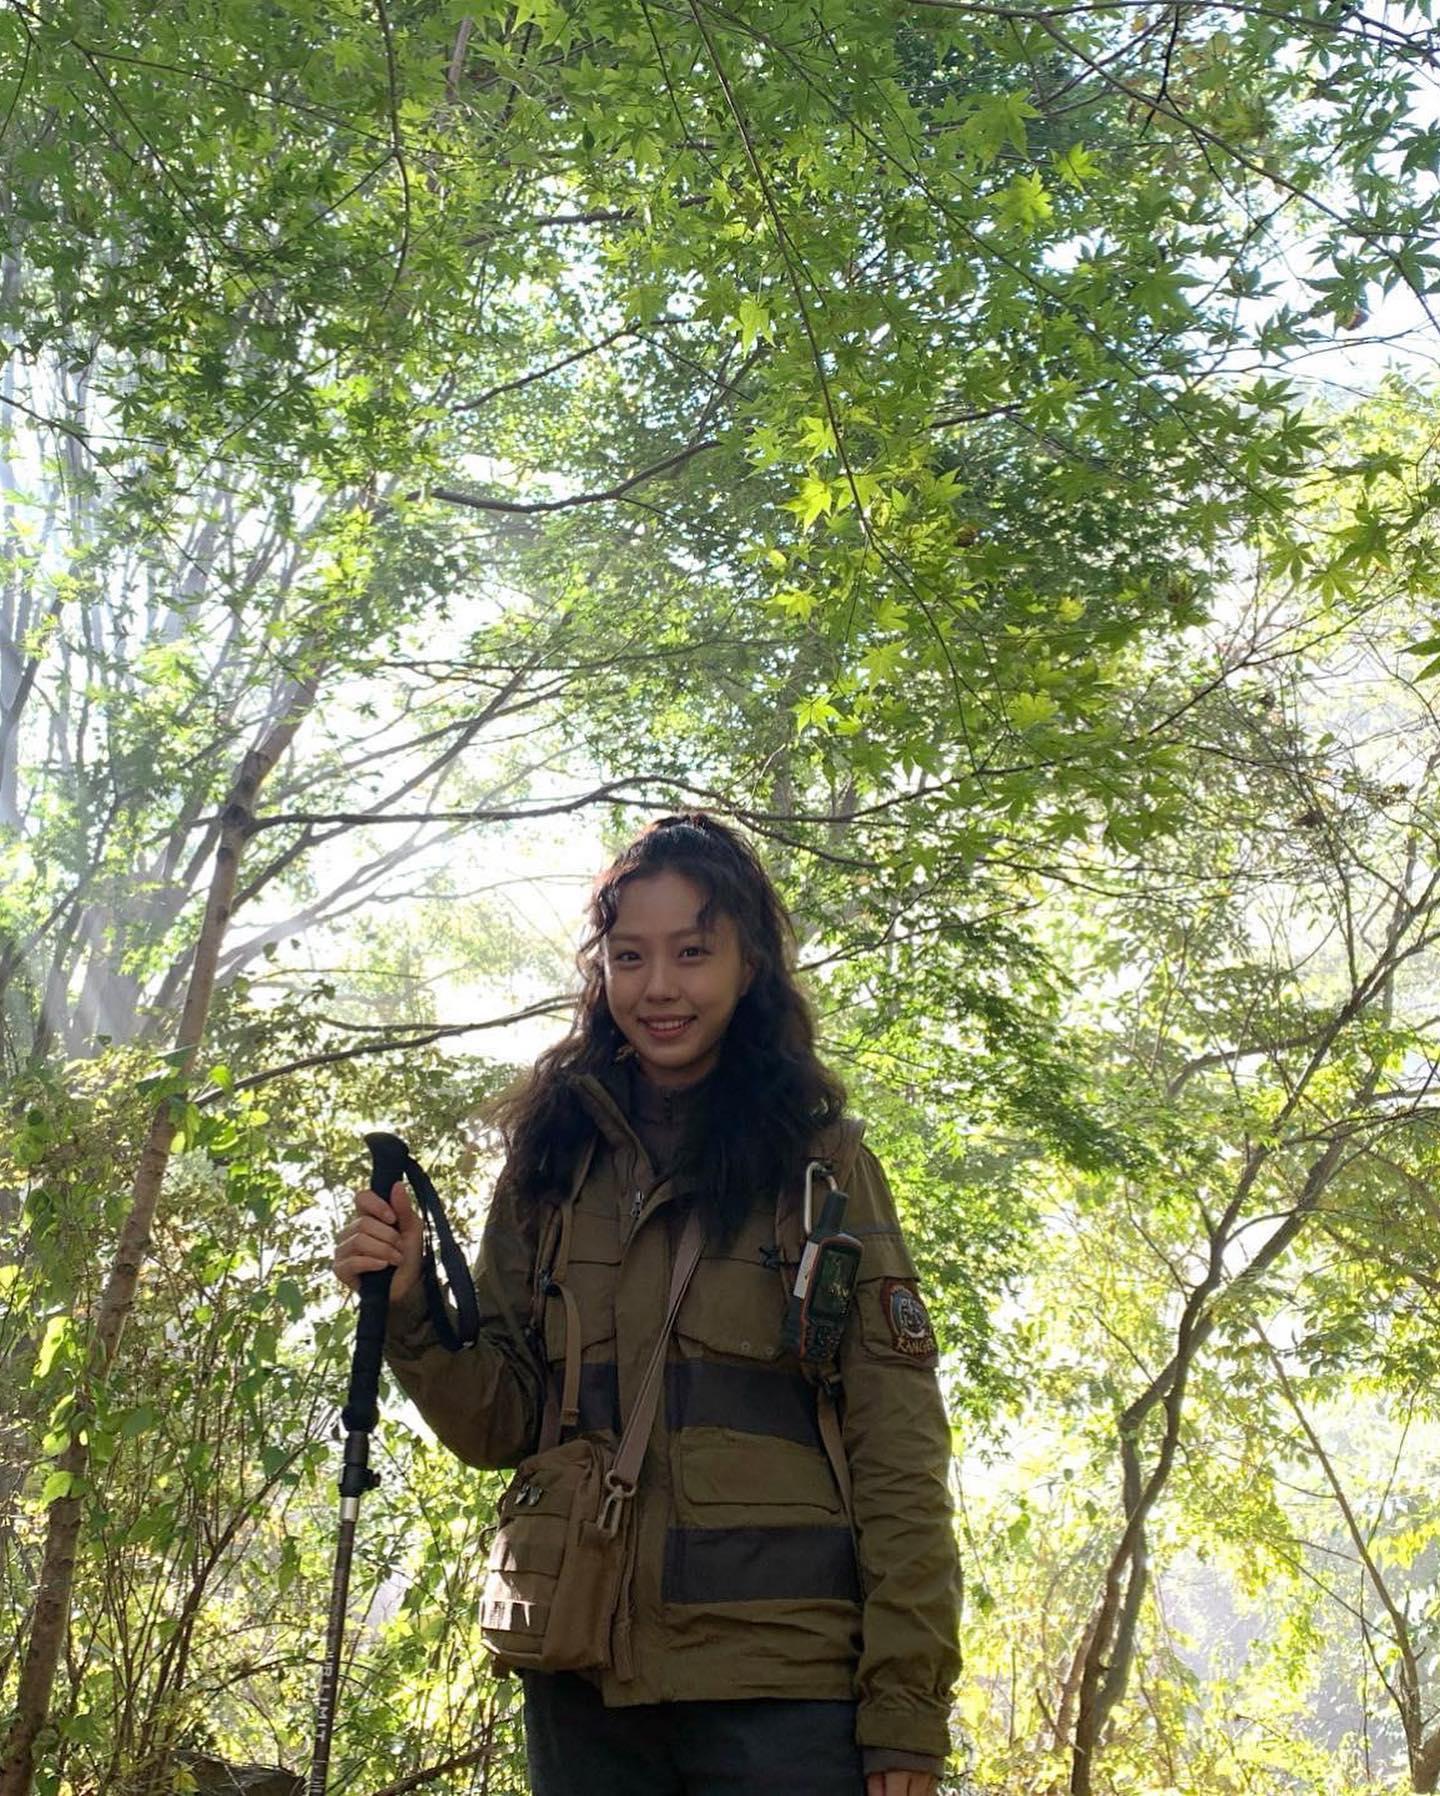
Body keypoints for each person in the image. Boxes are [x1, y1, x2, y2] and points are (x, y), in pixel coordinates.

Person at [334, 813, 961, 1796]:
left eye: (692, 952)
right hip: (583, 1676)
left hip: (784, 1694)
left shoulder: (823, 1169)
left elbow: (899, 1447)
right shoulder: (552, 1163)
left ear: (750, 965)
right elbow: (500, 1422)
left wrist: (906, 1712)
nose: (659, 986)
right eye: (630, 956)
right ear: (602, 970)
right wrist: (410, 1303)